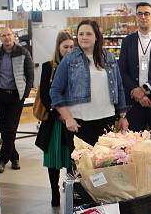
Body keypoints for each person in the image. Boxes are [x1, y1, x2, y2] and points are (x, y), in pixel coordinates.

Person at [50, 20, 129, 160]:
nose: (84, 37)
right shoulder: (69, 60)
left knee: (106, 164)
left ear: (96, 36)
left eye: (88, 34)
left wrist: (123, 116)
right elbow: (55, 91)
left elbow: (119, 87)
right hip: (79, 123)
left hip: (106, 119)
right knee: (83, 168)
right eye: (81, 34)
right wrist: (68, 118)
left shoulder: (109, 57)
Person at [118, 2, 151, 138]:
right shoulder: (127, 41)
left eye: (147, 13)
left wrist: (143, 89)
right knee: (134, 142)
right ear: (136, 17)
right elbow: (122, 71)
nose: (143, 17)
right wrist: (137, 93)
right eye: (140, 13)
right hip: (133, 101)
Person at [36, 31, 75, 207]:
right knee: (53, 158)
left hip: (72, 120)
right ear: (58, 48)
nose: (68, 50)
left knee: (70, 157)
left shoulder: (79, 66)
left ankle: (71, 193)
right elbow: (44, 94)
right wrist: (59, 113)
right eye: (65, 46)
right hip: (53, 121)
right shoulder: (48, 66)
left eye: (71, 46)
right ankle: (54, 192)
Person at [0, 27, 34, 173]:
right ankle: (14, 157)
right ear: (0, 38)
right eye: (3, 35)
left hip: (15, 96)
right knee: (4, 128)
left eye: (9, 35)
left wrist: (25, 94)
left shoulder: (23, 52)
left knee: (11, 128)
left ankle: (2, 159)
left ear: (13, 36)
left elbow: (30, 75)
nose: (7, 38)